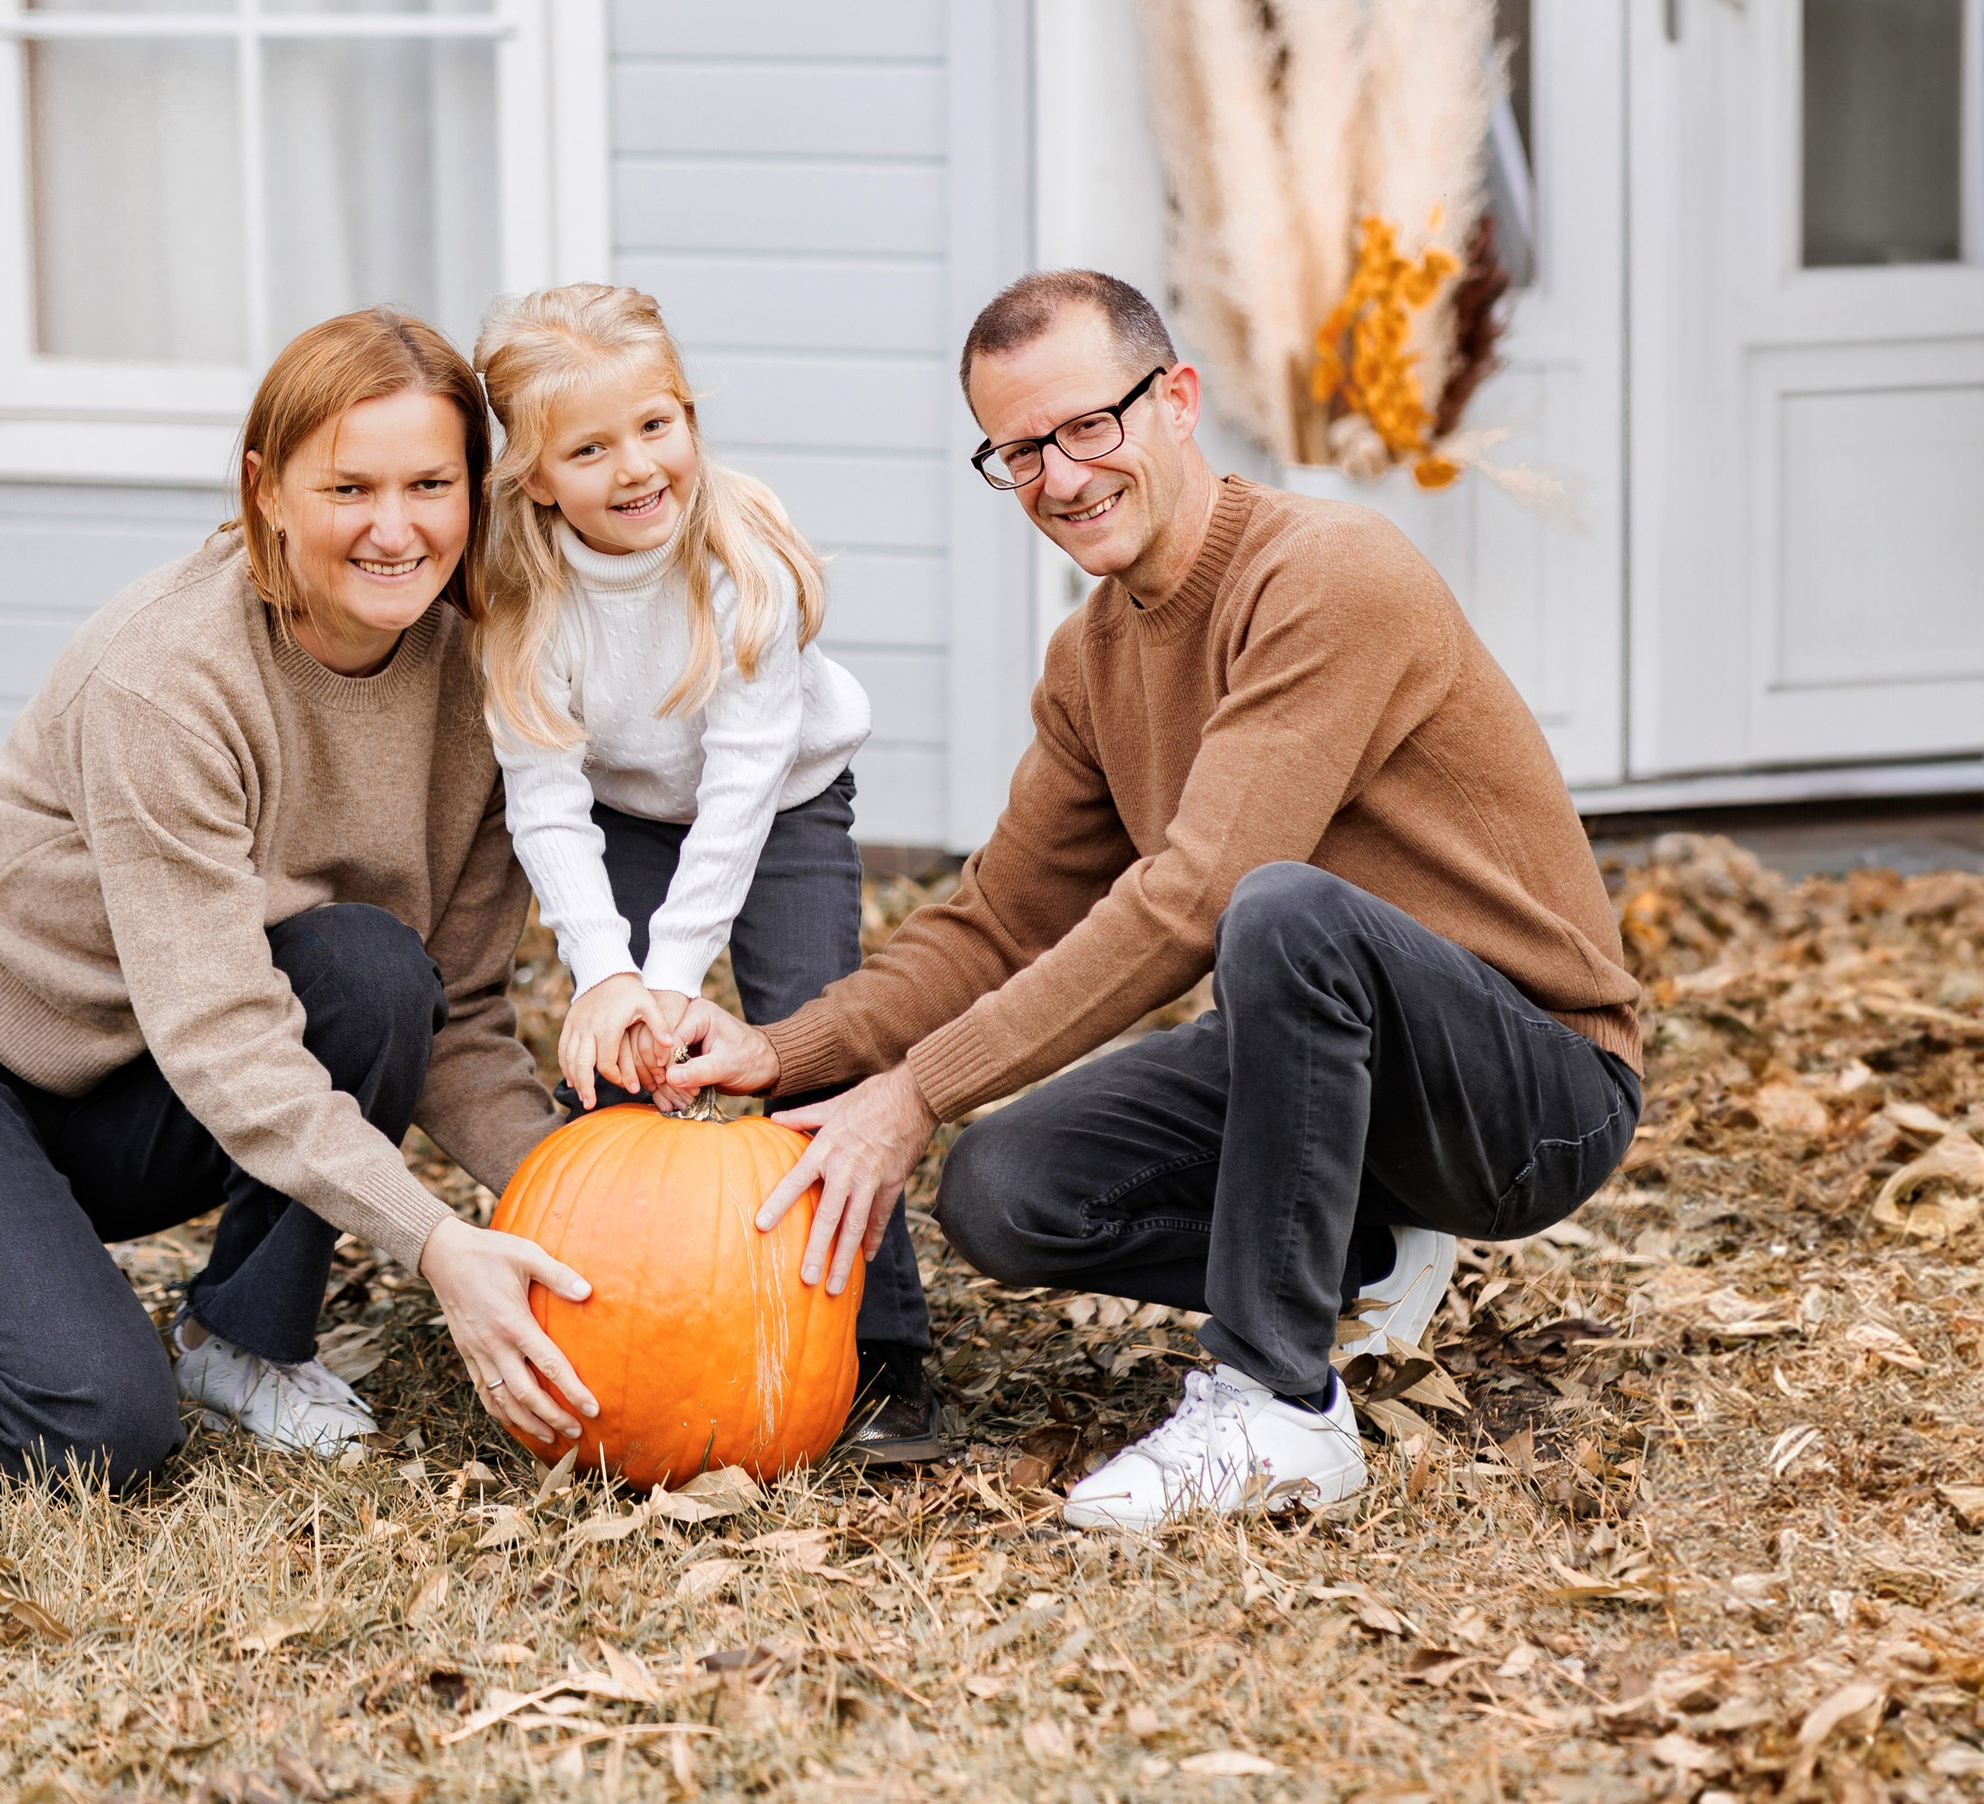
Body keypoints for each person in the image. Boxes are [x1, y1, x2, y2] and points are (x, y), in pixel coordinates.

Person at [665, 266, 1644, 1531]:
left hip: (1532, 1087)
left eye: (1088, 425)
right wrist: (781, 1050)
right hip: (1332, 1060)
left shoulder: (1329, 574)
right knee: (1005, 1187)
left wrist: (910, 1093)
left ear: (1176, 398)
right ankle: (1362, 1255)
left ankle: (1278, 1404)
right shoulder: (1091, 659)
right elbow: (1000, 920)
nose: (1059, 476)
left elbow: (1197, 899)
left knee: (1279, 908)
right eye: (1018, 450)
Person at [0, 309, 600, 1483]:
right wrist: (433, 1242)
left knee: (373, 970)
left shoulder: (488, 677)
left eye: (429, 483)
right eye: (347, 485)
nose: (394, 527)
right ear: (264, 486)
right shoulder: (170, 676)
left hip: (138, 1077)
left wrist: (591, 1197)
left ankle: (245, 1339)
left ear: (478, 490)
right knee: (91, 1424)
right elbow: (219, 1029)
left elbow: (453, 1016)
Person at [471, 283, 944, 1461]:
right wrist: (606, 976)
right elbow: (545, 800)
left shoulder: (741, 562)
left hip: (778, 800)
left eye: (655, 424)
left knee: (812, 1035)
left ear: (686, 414)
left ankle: (883, 1340)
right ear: (535, 477)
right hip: (626, 813)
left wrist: (678, 970)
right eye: (588, 447)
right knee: (625, 1060)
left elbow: (738, 791)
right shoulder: (521, 601)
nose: (636, 466)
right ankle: (616, 1342)